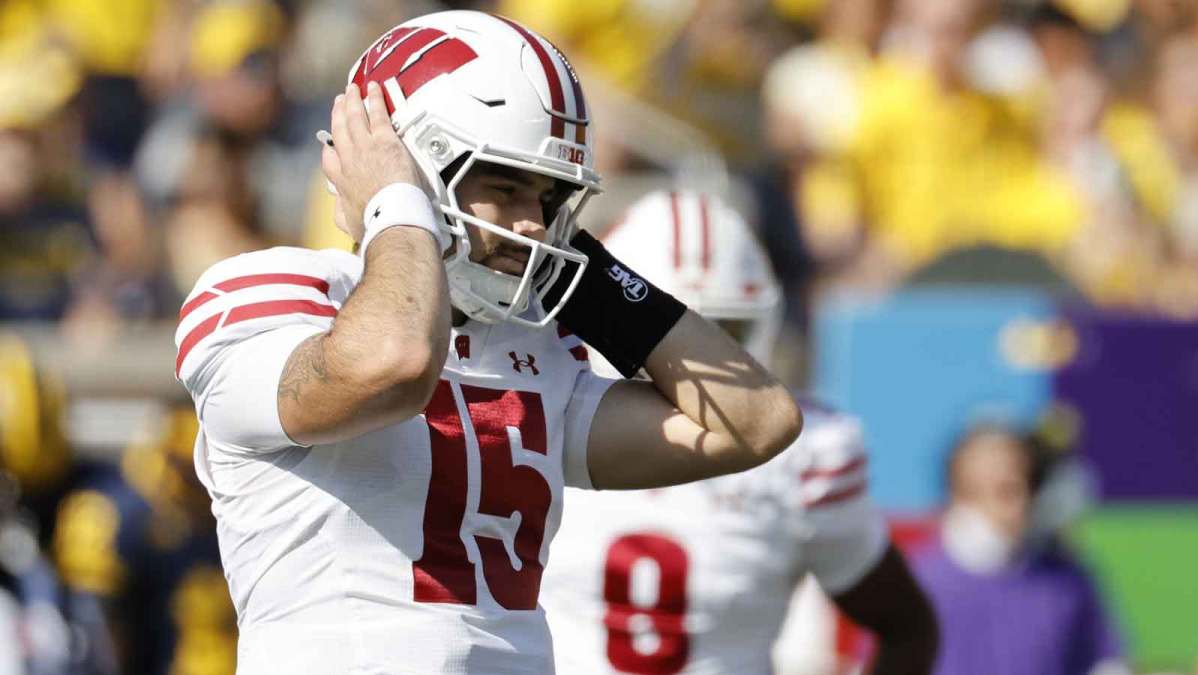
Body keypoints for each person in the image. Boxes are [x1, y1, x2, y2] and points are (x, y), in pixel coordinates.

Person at [173, 11, 802, 674]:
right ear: (408, 164)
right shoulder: (267, 295)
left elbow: (756, 420)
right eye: (504, 185)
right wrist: (396, 204)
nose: (533, 220)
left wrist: (583, 275)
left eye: (551, 196)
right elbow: (395, 362)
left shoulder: (536, 347)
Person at [541, 190, 938, 675]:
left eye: (725, 335)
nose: (697, 366)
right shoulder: (542, 407)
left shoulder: (807, 453)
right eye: (662, 336)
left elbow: (906, 628)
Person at [911, 425, 1127, 675]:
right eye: (1006, 490)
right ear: (962, 494)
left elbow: (1104, 664)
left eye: (1031, 485)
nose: (1023, 502)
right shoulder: (915, 584)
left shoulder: (1068, 582)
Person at [53, 407, 235, 675]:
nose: (201, 482)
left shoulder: (225, 511)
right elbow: (98, 633)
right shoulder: (116, 514)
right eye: (190, 469)